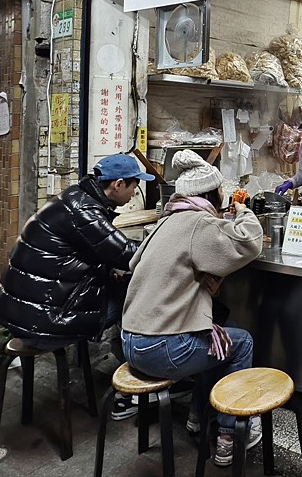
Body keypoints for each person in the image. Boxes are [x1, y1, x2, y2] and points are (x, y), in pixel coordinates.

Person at [121, 150, 264, 468]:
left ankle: (198, 417)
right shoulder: (200, 223)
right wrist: (242, 210)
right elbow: (249, 243)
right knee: (239, 343)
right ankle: (231, 433)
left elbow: (136, 264)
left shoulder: (166, 221)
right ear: (212, 194)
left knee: (211, 336)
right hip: (160, 349)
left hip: (130, 341)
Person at [0, 154, 152, 353]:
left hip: (19, 310)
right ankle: (130, 358)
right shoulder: (84, 212)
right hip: (43, 321)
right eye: (134, 188)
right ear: (118, 184)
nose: (133, 194)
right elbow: (127, 253)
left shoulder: (75, 196)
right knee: (135, 296)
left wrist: (109, 272)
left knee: (118, 284)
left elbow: (87, 253)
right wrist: (163, 242)